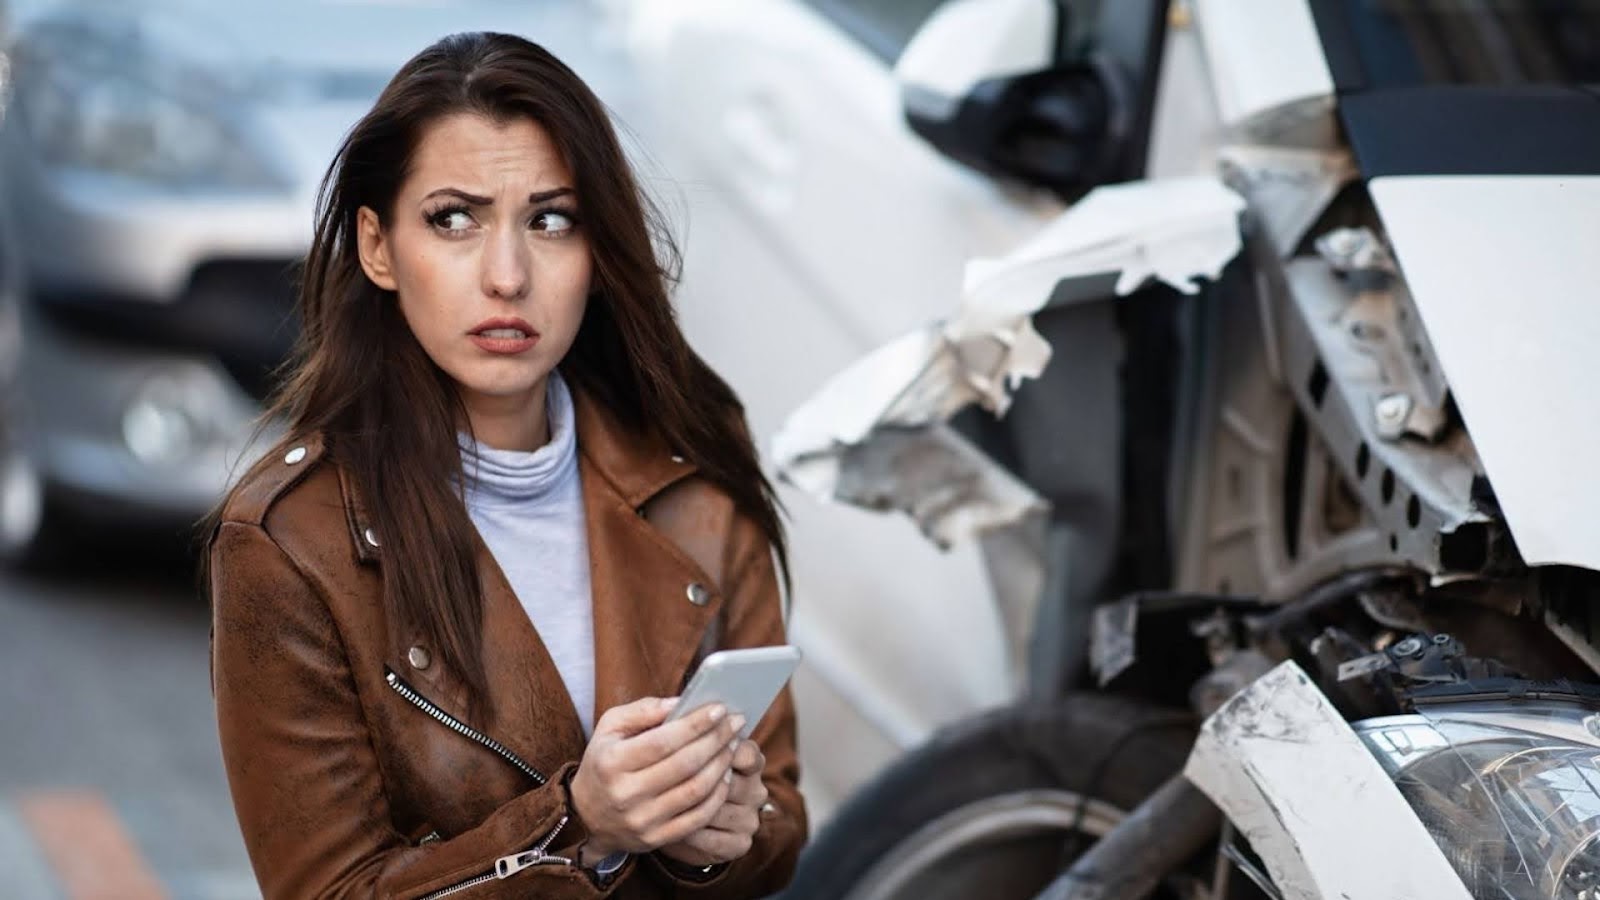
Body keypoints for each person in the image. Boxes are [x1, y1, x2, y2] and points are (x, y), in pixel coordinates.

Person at [205, 31, 805, 899]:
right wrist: (576, 824)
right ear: (378, 248)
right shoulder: (289, 541)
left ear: (597, 254)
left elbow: (782, 816)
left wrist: (718, 839)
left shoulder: (694, 475)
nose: (508, 275)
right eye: (455, 219)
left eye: (550, 220)